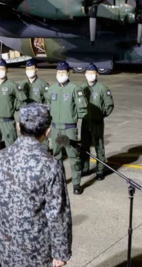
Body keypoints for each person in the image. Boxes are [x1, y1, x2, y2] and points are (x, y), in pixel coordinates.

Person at [0, 103, 72, 267]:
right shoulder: (50, 165)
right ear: (47, 132)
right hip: (37, 250)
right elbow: (58, 213)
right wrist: (60, 253)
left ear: (18, 127)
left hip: (7, 245)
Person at [46, 61, 88, 195]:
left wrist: (73, 117)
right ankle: (61, 181)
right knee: (57, 157)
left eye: (63, 73)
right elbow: (48, 107)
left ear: (68, 73)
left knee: (73, 156)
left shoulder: (74, 89)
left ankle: (76, 184)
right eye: (58, 73)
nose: (61, 75)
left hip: (69, 129)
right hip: (56, 128)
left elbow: (83, 109)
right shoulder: (52, 89)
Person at [0, 59, 26, 160]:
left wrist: (15, 107)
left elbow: (22, 100)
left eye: (2, 69)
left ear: (7, 70)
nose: (0, 71)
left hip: (7, 121)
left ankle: (12, 172)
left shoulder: (12, 85)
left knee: (11, 147)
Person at [80, 63, 114, 180]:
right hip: (85, 122)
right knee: (84, 147)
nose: (90, 75)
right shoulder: (81, 88)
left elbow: (109, 105)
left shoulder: (102, 89)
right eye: (88, 73)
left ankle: (100, 170)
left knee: (99, 147)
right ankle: (85, 168)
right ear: (85, 74)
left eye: (93, 73)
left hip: (97, 122)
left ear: (97, 74)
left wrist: (101, 115)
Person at [20, 59, 50, 149]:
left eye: (31, 68)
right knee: (27, 138)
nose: (29, 71)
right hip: (27, 117)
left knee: (42, 138)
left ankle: (44, 153)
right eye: (27, 69)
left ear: (36, 70)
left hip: (39, 116)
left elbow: (48, 100)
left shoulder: (42, 84)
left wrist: (45, 114)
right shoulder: (22, 84)